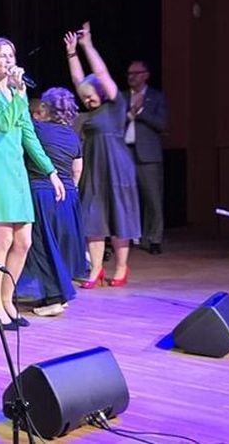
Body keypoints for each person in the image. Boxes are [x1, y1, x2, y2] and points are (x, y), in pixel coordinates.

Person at [0, 37, 65, 329]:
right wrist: (20, 95)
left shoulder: (14, 93)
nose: (9, 61)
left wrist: (50, 171)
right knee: (3, 239)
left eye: (11, 55)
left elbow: (28, 135)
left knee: (23, 241)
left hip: (16, 171)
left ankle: (7, 299)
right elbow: (0, 123)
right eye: (3, 56)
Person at [64, 23, 141, 288]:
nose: (87, 100)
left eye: (91, 96)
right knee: (93, 218)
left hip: (117, 167)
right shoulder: (90, 112)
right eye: (84, 98)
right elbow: (79, 81)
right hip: (94, 167)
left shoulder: (116, 103)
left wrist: (87, 46)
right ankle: (96, 269)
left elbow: (100, 72)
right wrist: (71, 53)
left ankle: (121, 268)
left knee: (120, 216)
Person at [20, 90, 84, 315]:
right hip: (68, 196)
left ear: (46, 108)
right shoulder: (73, 137)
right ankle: (60, 295)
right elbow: (77, 170)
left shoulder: (38, 130)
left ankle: (54, 299)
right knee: (60, 246)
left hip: (42, 193)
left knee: (42, 246)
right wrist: (70, 191)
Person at [123, 60, 167, 255]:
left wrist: (140, 112)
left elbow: (162, 124)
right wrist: (129, 114)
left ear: (146, 75)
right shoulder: (122, 97)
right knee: (126, 197)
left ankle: (154, 239)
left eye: (136, 73)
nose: (131, 77)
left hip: (148, 155)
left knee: (152, 198)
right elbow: (114, 122)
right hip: (124, 153)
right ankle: (129, 237)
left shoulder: (156, 97)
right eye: (129, 74)